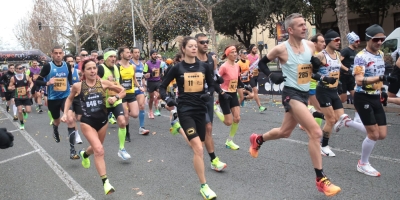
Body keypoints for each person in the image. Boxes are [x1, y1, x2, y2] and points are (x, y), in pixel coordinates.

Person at [248, 13, 341, 196]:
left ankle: (258, 139)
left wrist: (320, 74)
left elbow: (306, 70)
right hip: (291, 94)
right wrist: (270, 75)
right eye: (300, 25)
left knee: (285, 132)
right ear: (290, 30)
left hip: (304, 93)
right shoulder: (280, 49)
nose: (305, 28)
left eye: (305, 24)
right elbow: (261, 63)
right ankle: (321, 179)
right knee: (315, 132)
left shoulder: (310, 46)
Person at [159, 36, 217, 200]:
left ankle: (178, 129)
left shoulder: (204, 66)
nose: (193, 48)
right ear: (183, 49)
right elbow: (162, 87)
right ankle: (204, 186)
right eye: (190, 46)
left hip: (200, 110)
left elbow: (212, 84)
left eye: (194, 46)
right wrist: (168, 99)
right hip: (185, 110)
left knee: (200, 147)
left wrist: (208, 94)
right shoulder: (177, 68)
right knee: (198, 148)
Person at [335, 24, 397, 176]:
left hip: (375, 97)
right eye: (376, 39)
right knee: (373, 135)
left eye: (382, 39)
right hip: (363, 97)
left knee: (381, 134)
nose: (379, 42)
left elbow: (380, 75)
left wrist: (382, 90)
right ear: (369, 39)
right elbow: (360, 80)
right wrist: (381, 78)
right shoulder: (360, 57)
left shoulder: (381, 54)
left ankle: (347, 122)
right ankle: (363, 163)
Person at [61, 58, 126, 195]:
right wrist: (66, 113)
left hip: (103, 121)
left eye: (94, 68)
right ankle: (106, 182)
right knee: (99, 150)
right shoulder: (78, 86)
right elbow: (69, 98)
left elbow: (122, 90)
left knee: (96, 148)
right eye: (89, 68)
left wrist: (115, 98)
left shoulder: (103, 83)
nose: (92, 71)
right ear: (83, 71)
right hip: (87, 122)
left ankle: (84, 154)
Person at [314, 30, 363, 157]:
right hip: (323, 91)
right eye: (336, 40)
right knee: (331, 120)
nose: (339, 42)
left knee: (340, 118)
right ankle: (323, 145)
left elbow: (340, 67)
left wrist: (349, 76)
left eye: (339, 40)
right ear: (329, 41)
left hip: (334, 91)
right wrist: (324, 78)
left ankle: (314, 114)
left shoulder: (337, 54)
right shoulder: (321, 56)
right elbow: (311, 73)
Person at [36, 46, 80, 159]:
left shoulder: (67, 65)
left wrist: (70, 85)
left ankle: (72, 150)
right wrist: (47, 83)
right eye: (56, 53)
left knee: (70, 119)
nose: (58, 55)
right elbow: (37, 81)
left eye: (60, 53)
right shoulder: (48, 66)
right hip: (53, 99)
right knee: (57, 121)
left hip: (66, 97)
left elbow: (69, 76)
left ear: (63, 54)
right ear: (52, 54)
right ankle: (55, 129)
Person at [195, 33, 227, 171]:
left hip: (209, 97)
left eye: (206, 41)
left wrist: (219, 90)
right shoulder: (191, 60)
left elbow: (214, 77)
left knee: (208, 129)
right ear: (196, 44)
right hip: (196, 98)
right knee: (207, 127)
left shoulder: (210, 59)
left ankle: (201, 149)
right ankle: (214, 159)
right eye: (202, 42)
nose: (205, 44)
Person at [96, 49, 131, 160]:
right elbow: (94, 84)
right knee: (100, 129)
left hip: (116, 100)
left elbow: (119, 85)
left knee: (122, 121)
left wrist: (116, 97)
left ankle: (121, 149)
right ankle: (96, 148)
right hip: (103, 103)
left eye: (114, 56)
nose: (113, 59)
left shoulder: (116, 68)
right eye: (110, 56)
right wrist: (106, 81)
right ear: (105, 58)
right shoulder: (100, 68)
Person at [217, 46, 242, 150]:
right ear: (227, 54)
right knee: (228, 122)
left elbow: (237, 79)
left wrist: (242, 86)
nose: (235, 54)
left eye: (236, 52)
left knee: (237, 118)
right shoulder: (224, 67)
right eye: (232, 52)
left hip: (233, 93)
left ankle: (230, 141)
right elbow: (216, 80)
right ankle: (215, 109)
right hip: (224, 94)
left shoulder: (237, 66)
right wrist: (221, 92)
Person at [117, 46, 141, 142]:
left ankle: (121, 115)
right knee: (126, 115)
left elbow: (134, 79)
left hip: (131, 93)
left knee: (135, 114)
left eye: (129, 52)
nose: (129, 54)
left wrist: (139, 86)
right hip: (122, 94)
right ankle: (127, 133)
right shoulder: (117, 67)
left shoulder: (133, 66)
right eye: (127, 52)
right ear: (121, 54)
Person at [64, 54, 83, 144]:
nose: (71, 63)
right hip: (68, 98)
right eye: (69, 61)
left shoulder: (78, 71)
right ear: (65, 62)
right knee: (71, 118)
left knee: (79, 117)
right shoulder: (63, 73)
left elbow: (84, 81)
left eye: (72, 61)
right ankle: (77, 135)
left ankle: (75, 130)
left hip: (78, 97)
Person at [8, 64, 34, 130]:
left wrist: (30, 88)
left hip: (26, 95)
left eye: (22, 68)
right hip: (18, 96)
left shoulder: (26, 76)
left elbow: (32, 83)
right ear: (16, 69)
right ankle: (22, 123)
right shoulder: (13, 78)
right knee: (19, 111)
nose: (21, 69)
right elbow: (9, 87)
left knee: (29, 111)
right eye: (19, 68)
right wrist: (11, 88)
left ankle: (24, 111)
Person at [131, 47, 150, 136]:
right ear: (131, 54)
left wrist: (144, 82)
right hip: (129, 89)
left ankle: (141, 128)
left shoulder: (142, 64)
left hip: (139, 88)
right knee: (129, 111)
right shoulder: (129, 63)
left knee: (142, 106)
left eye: (138, 52)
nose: (137, 54)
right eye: (135, 52)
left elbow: (141, 76)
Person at [247, 44, 267, 112]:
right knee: (256, 90)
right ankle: (260, 106)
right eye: (254, 48)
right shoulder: (248, 57)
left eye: (256, 48)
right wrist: (249, 73)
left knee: (253, 94)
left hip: (256, 75)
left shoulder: (258, 56)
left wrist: (260, 70)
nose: (255, 50)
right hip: (250, 76)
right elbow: (245, 67)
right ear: (251, 49)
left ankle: (242, 97)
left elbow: (260, 64)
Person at [144, 50, 162, 118]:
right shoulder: (147, 63)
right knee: (151, 98)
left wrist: (161, 76)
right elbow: (144, 73)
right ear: (151, 55)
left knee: (161, 94)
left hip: (157, 81)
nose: (155, 55)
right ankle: (150, 111)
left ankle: (156, 100)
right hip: (150, 82)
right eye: (154, 54)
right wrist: (147, 75)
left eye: (156, 54)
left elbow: (160, 71)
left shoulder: (159, 62)